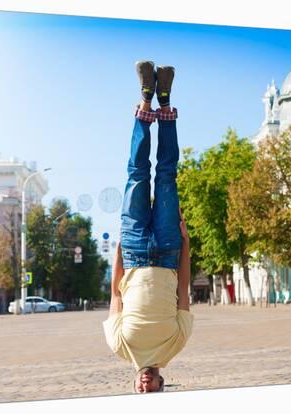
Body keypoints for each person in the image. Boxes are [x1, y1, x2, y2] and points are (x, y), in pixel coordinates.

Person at [103, 61, 194, 393]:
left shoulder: (120, 346)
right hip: (170, 250)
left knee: (137, 174)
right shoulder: (175, 345)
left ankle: (145, 101)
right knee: (167, 174)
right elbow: (183, 289)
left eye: (140, 392)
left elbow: (115, 292)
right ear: (162, 383)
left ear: (135, 386)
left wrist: (120, 247)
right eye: (152, 390)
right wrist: (186, 244)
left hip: (135, 249)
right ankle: (165, 102)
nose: (145, 386)